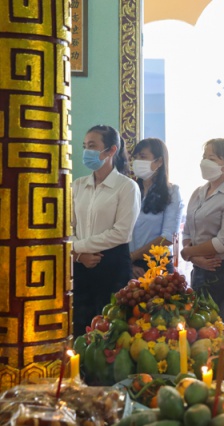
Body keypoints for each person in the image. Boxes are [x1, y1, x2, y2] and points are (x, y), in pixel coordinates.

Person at [71, 125, 140, 338]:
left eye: (92, 146)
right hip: (80, 265)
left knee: (111, 334)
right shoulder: (78, 185)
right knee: (80, 330)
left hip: (112, 265)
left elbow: (121, 232)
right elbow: (68, 226)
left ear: (111, 150)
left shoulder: (126, 187)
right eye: (85, 146)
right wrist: (79, 255)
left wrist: (77, 247)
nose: (86, 151)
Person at [180, 139, 224, 334]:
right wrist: (194, 258)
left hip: (223, 270)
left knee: (223, 333)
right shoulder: (199, 192)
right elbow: (187, 231)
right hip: (199, 268)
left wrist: (188, 252)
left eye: (212, 158)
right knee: (199, 332)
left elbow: (222, 243)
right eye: (204, 157)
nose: (205, 162)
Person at [129, 138, 184, 278]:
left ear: (159, 162)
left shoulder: (171, 192)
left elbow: (168, 237)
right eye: (135, 157)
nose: (137, 162)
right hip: (129, 264)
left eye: (143, 157)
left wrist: (134, 255)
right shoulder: (130, 189)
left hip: (158, 264)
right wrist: (130, 262)